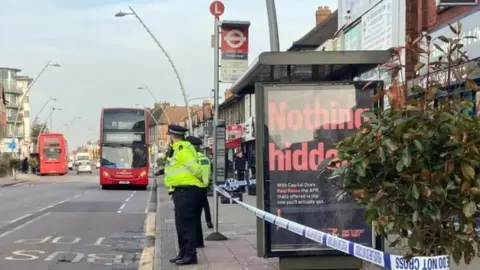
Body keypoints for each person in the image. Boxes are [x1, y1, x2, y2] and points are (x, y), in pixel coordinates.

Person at [161, 125, 204, 266]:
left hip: (187, 191)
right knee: (181, 225)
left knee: (187, 225)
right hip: (180, 191)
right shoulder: (177, 149)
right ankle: (183, 252)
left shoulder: (182, 149)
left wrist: (200, 176)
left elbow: (195, 167)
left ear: (172, 136)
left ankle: (190, 255)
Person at [186, 136, 213, 237]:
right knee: (205, 205)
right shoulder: (205, 159)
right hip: (205, 186)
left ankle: (196, 231)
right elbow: (210, 172)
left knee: (195, 210)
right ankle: (209, 221)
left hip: (195, 186)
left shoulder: (193, 159)